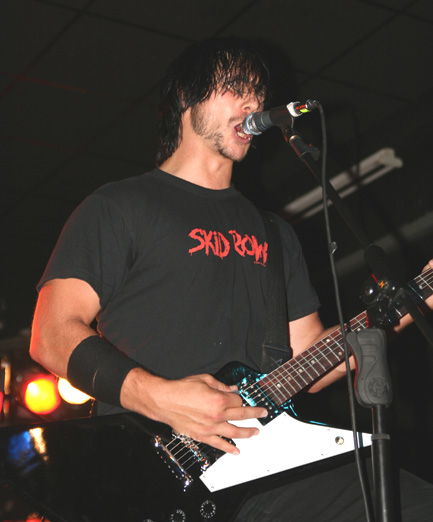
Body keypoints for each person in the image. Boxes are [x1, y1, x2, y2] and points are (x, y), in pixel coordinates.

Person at [30, 37, 433, 521]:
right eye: (236, 88)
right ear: (187, 98)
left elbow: (309, 356)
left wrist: (415, 300)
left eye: (259, 94)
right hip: (149, 474)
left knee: (406, 503)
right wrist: (161, 397)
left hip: (267, 461)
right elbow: (51, 334)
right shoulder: (120, 206)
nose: (253, 104)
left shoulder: (275, 233)